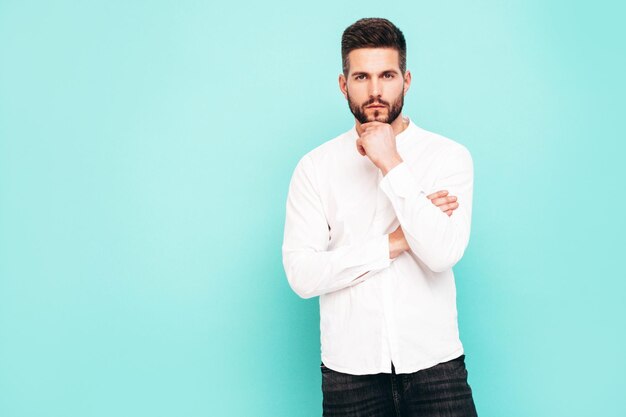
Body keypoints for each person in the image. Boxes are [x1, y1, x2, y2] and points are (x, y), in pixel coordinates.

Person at [282, 17, 478, 417]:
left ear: (406, 80)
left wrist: (391, 162)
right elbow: (302, 275)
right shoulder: (315, 167)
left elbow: (442, 254)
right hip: (349, 375)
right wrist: (397, 242)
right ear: (343, 84)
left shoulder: (448, 157)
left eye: (387, 75)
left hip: (436, 369)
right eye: (361, 77)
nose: (375, 91)